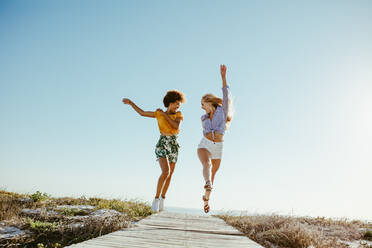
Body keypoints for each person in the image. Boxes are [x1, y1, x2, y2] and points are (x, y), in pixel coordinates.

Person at [122, 90, 186, 212]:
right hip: (162, 143)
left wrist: (165, 115)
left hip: (173, 144)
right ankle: (156, 199)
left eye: (179, 104)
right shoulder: (158, 114)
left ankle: (162, 199)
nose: (178, 106)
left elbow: (175, 126)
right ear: (170, 102)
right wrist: (131, 103)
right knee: (165, 172)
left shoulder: (178, 115)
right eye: (176, 103)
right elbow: (142, 113)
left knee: (170, 175)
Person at [197, 64, 233, 213]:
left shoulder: (222, 112)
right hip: (204, 144)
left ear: (208, 102)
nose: (201, 107)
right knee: (206, 164)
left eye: (202, 104)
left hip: (218, 146)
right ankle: (207, 183)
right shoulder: (203, 118)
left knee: (213, 174)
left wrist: (223, 77)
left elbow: (226, 95)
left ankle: (206, 200)